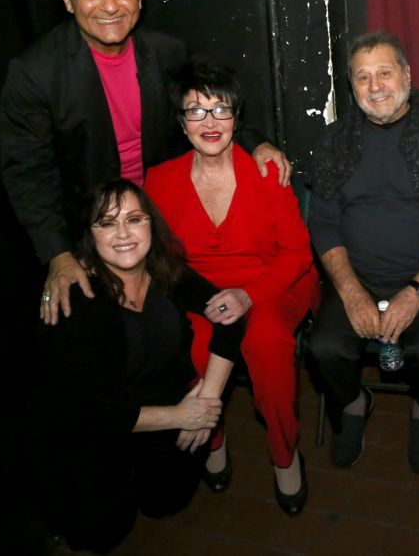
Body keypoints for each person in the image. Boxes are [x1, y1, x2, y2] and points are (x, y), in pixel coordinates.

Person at [0, 0, 289, 327]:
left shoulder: (168, 53)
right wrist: (60, 256)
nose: (109, 4)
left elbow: (208, 113)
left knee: (200, 327)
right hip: (89, 238)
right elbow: (28, 175)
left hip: (164, 227)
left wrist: (258, 144)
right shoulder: (35, 73)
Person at [305, 31, 419, 474]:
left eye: (384, 72)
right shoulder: (335, 141)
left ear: (406, 74)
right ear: (352, 87)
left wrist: (416, 292)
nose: (375, 86)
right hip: (356, 277)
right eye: (363, 78)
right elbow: (324, 222)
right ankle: (352, 404)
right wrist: (349, 292)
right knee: (323, 347)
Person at [145, 56, 319, 514]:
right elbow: (162, 262)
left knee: (267, 342)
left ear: (236, 119)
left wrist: (248, 295)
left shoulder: (267, 173)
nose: (209, 121)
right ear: (181, 123)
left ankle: (284, 455)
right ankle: (211, 438)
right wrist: (207, 300)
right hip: (199, 292)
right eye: (195, 110)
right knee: (194, 349)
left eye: (220, 109)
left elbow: (298, 254)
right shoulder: (159, 182)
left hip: (271, 283)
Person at [34, 179, 244, 553]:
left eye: (134, 219)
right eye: (106, 223)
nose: (123, 234)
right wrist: (181, 416)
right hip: (98, 432)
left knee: (168, 503)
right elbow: (88, 412)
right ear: (88, 236)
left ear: (151, 224)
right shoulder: (78, 302)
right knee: (100, 534)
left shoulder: (165, 272)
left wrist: (207, 404)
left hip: (166, 411)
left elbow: (231, 314)